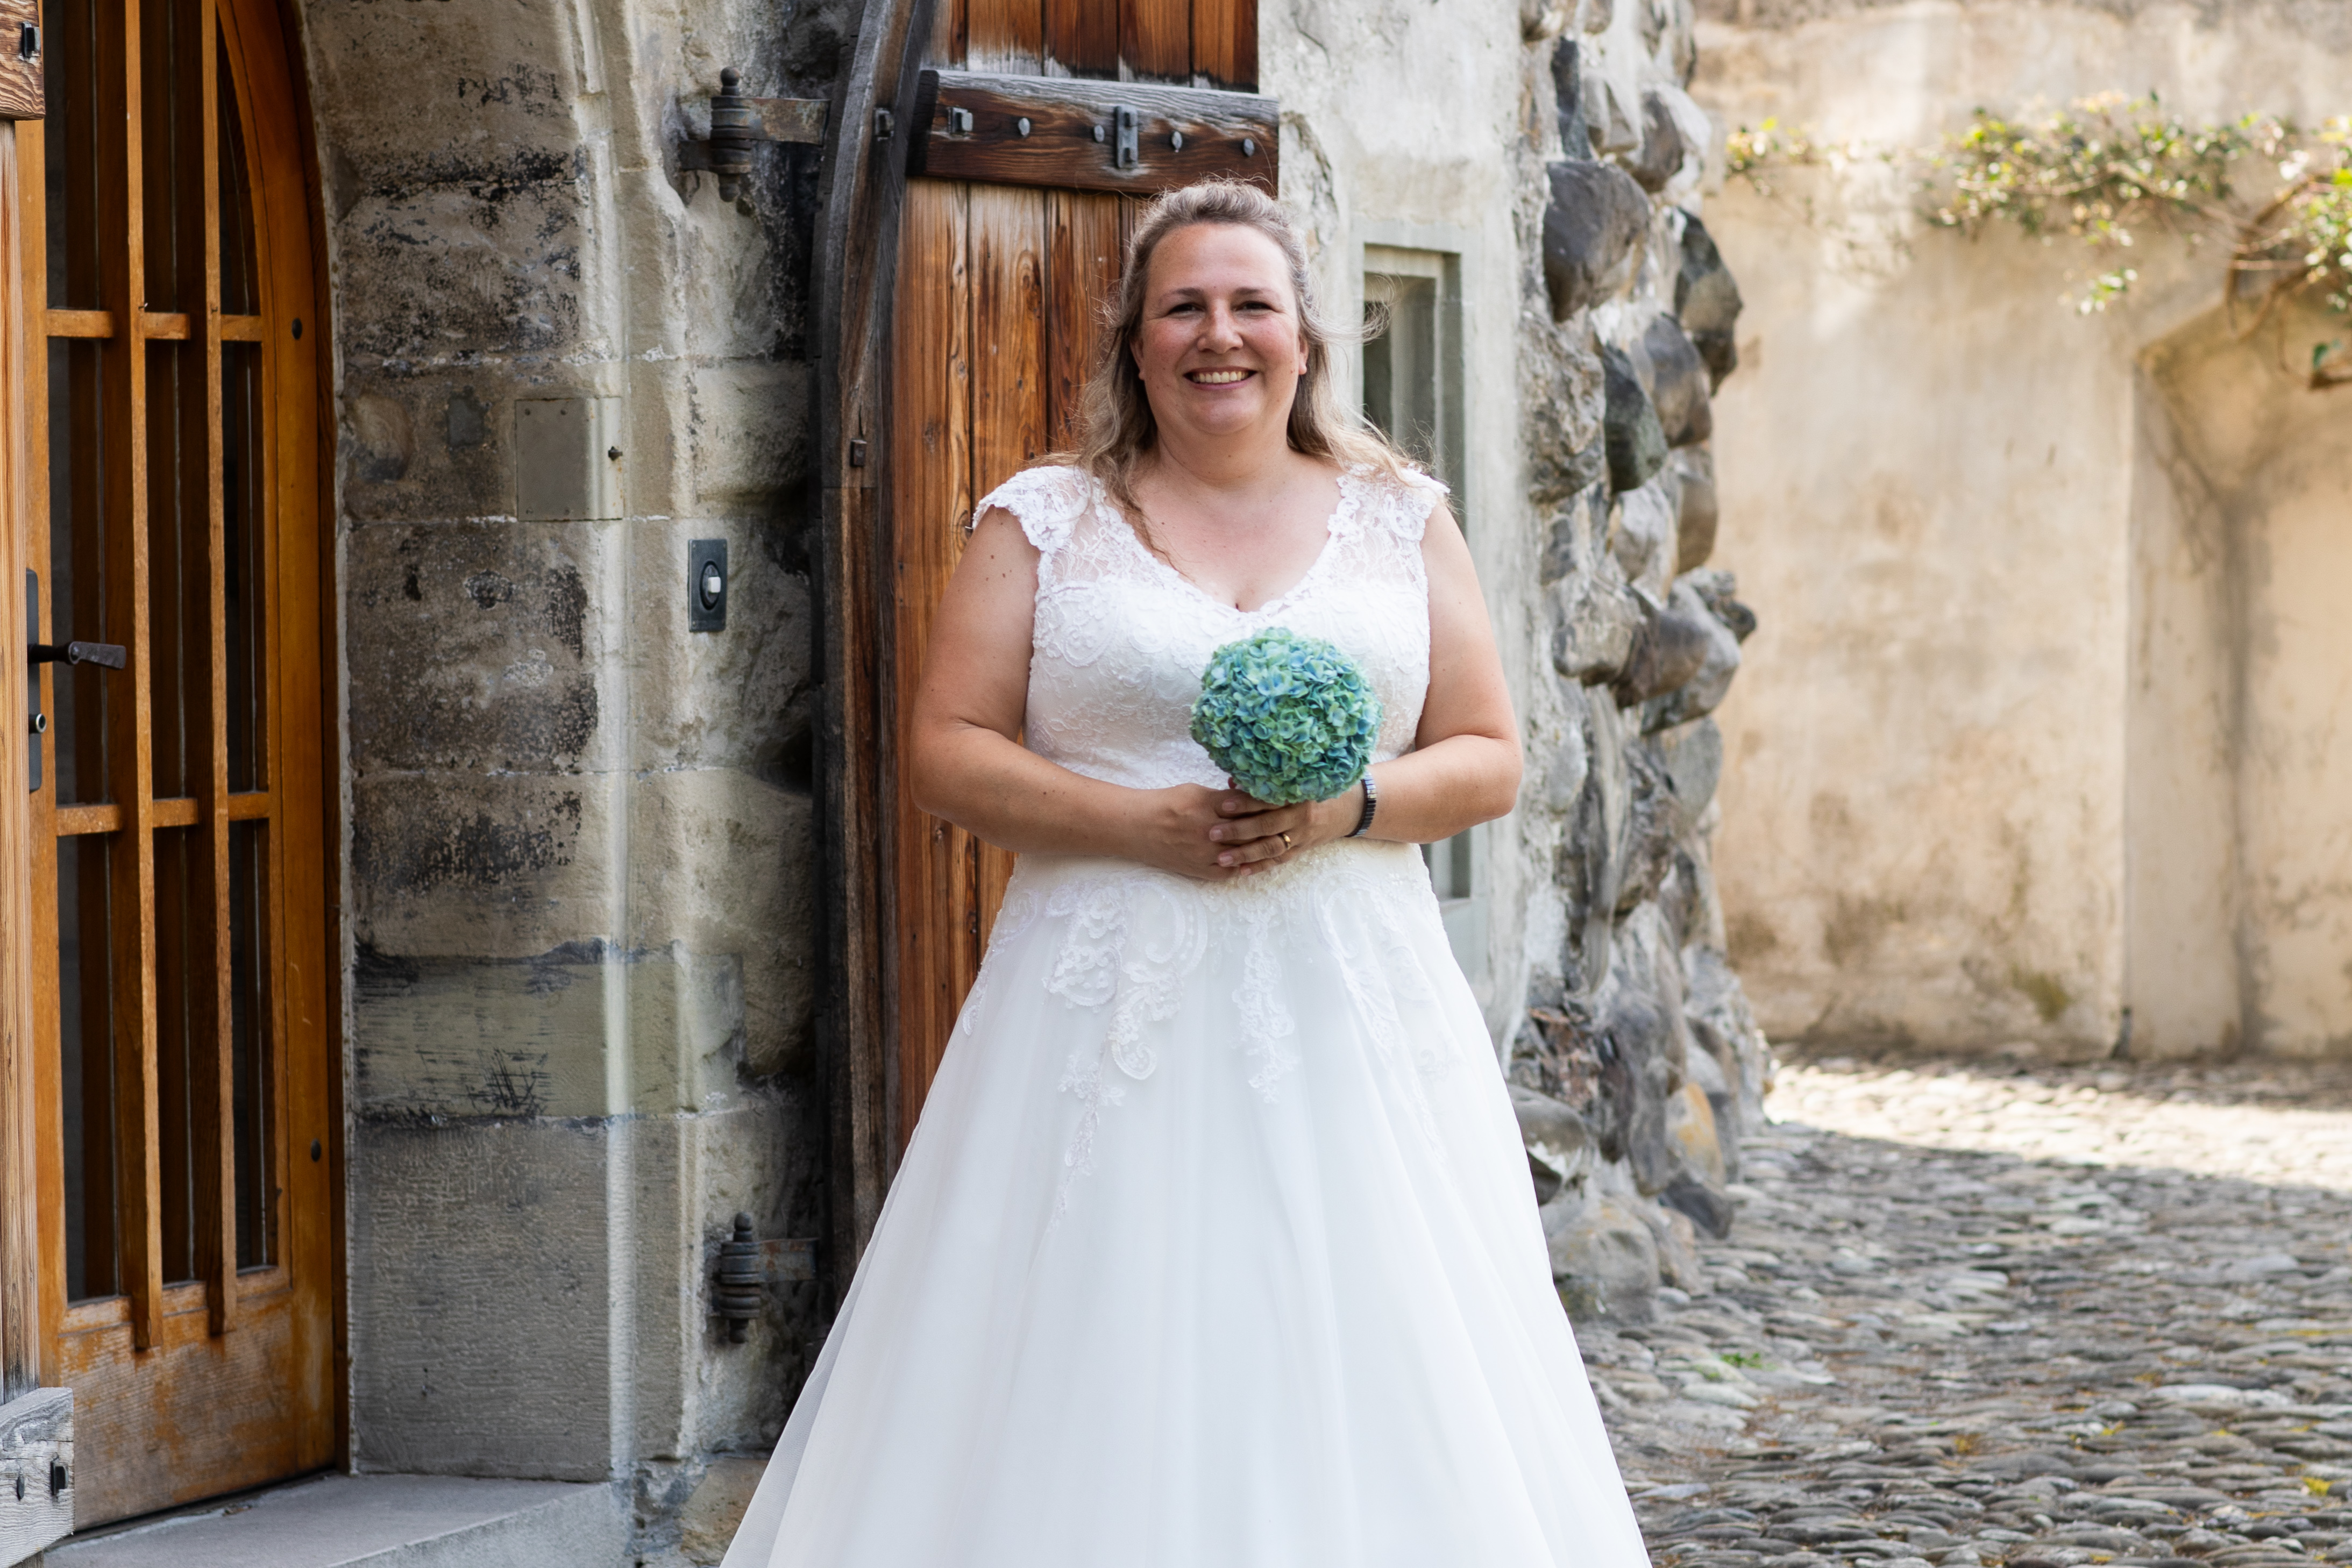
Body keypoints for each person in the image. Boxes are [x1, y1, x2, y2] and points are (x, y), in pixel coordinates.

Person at [723, 177, 1650, 1567]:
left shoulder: (1398, 518)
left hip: (1350, 998)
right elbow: (946, 749)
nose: (1221, 334)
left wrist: (1353, 803)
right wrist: (1134, 822)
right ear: (1136, 342)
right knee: (1095, 1311)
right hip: (1101, 1005)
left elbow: (1488, 753)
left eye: (1252, 304)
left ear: (1306, 337)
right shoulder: (1043, 519)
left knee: (1366, 1318)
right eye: (1186, 307)